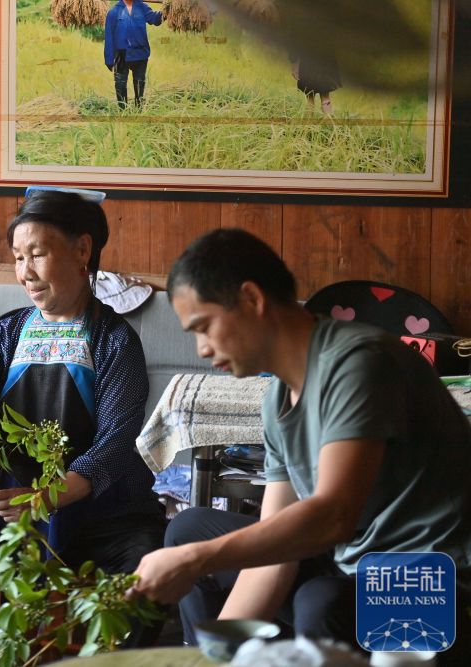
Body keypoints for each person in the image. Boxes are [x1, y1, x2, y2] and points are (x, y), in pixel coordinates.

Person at [128, 229, 471, 663]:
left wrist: (198, 560)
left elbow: (333, 516)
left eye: (204, 327)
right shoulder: (278, 401)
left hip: (433, 581)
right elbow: (276, 558)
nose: (202, 348)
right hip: (352, 563)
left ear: (251, 299)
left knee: (320, 601)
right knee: (187, 531)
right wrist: (212, 658)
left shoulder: (360, 363)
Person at [0, 187, 166, 639]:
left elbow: (116, 443)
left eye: (37, 254)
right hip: (16, 518)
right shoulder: (8, 333)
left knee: (146, 566)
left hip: (103, 517)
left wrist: (51, 495)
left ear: (82, 250)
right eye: (18, 258)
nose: (25, 272)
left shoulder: (115, 341)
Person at [104, 0, 163, 109]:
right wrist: (109, 59)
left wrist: (169, 8)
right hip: (121, 54)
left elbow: (155, 19)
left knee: (140, 82)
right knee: (120, 84)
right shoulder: (114, 12)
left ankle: (139, 109)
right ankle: (123, 110)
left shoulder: (142, 7)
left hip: (140, 53)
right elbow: (109, 37)